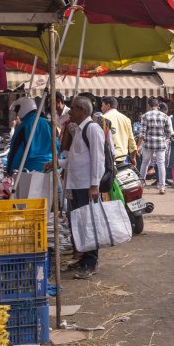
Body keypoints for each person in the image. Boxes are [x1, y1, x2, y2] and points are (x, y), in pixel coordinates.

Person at [59, 96, 106, 279]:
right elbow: (76, 158)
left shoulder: (92, 129)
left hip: (86, 185)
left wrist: (94, 184)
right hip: (77, 184)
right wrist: (58, 163)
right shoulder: (78, 130)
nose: (69, 112)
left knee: (88, 223)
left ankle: (91, 261)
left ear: (82, 110)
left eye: (73, 108)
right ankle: (84, 259)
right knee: (80, 223)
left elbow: (98, 159)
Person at [7, 96, 53, 175]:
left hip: (31, 172)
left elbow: (15, 153)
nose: (17, 114)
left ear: (23, 108)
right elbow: (57, 146)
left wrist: (10, 171)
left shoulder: (23, 127)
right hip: (51, 168)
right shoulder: (48, 123)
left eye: (17, 110)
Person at [138, 98, 174, 195]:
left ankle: (141, 184)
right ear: (158, 105)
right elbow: (170, 132)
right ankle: (162, 187)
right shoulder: (165, 116)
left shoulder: (145, 116)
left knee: (145, 163)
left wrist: (141, 143)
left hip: (148, 143)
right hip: (160, 143)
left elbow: (142, 133)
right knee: (161, 164)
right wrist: (163, 137)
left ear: (149, 106)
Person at [101, 97, 138, 164]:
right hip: (123, 157)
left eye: (102, 105)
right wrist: (133, 158)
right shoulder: (126, 119)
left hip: (108, 157)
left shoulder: (103, 118)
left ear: (108, 105)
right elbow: (131, 140)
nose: (101, 108)